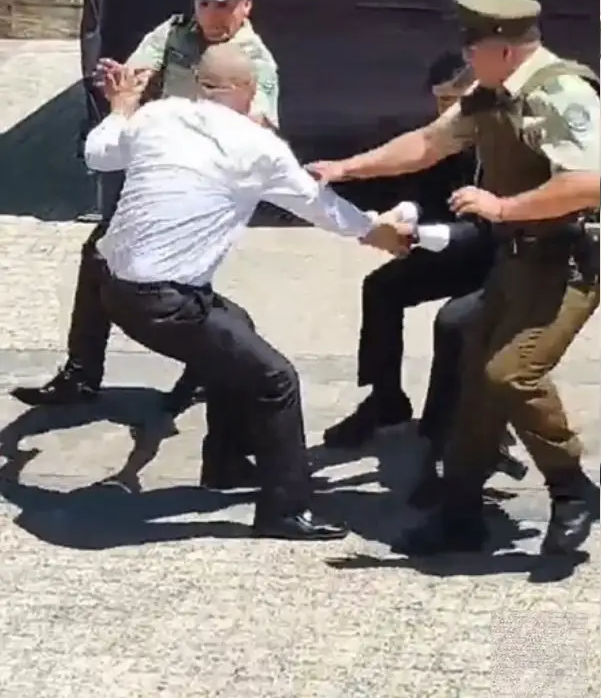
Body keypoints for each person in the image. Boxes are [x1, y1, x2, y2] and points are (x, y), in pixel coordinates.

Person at [310, 0, 601, 556]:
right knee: (474, 383)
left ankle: (571, 489)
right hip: (517, 260)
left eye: (474, 44)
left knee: (510, 375)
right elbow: (425, 144)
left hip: (567, 261)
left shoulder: (561, 94)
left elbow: (589, 182)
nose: (465, 55)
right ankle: (460, 513)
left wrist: (502, 208)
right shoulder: (491, 94)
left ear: (507, 48)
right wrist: (346, 167)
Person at [86, 44, 408, 540]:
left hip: (111, 288)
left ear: (199, 84)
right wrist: (376, 230)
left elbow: (98, 154)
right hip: (164, 302)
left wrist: (122, 107)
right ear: (250, 91)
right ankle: (286, 510)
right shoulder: (259, 147)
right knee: (276, 379)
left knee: (235, 327)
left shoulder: (159, 116)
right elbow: (319, 206)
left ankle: (226, 463)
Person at [11, 0, 279, 415]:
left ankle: (213, 358)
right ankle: (91, 372)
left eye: (224, 5)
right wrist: (124, 87)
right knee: (115, 261)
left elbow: (263, 124)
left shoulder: (255, 62)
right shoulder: (175, 32)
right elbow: (140, 69)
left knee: (156, 279)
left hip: (203, 191)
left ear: (245, 6)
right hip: (158, 174)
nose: (213, 15)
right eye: (206, 4)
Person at [323, 52, 492, 448]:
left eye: (454, 100)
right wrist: (400, 215)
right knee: (381, 289)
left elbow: (491, 228)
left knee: (453, 323)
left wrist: (418, 237)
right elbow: (425, 197)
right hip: (456, 247)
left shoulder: (504, 140)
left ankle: (443, 434)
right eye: (440, 100)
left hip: (500, 257)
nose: (446, 110)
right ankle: (385, 400)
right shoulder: (441, 136)